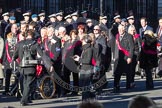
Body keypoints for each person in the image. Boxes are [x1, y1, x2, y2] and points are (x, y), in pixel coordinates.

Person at [13, 30, 53, 106]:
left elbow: (15, 56)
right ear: (33, 36)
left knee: (25, 83)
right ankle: (24, 100)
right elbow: (42, 55)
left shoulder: (19, 43)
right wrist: (49, 65)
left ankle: (27, 98)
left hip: (22, 67)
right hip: (31, 67)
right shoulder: (35, 44)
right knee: (28, 84)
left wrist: (16, 63)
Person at [113, 24, 134, 92]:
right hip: (118, 57)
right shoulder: (117, 36)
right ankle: (116, 86)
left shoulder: (129, 36)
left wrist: (130, 57)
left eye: (122, 29)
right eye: (119, 29)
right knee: (117, 72)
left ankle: (128, 86)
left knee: (128, 72)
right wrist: (114, 56)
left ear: (124, 29)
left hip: (126, 56)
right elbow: (115, 47)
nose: (120, 30)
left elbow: (131, 47)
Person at [74, 34, 95, 101]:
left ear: (86, 40)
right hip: (84, 69)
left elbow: (88, 60)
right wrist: (79, 58)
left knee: (85, 86)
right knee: (83, 85)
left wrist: (79, 60)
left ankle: (85, 101)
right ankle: (91, 98)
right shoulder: (85, 48)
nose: (82, 42)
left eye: (83, 40)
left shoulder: (89, 49)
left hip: (87, 69)